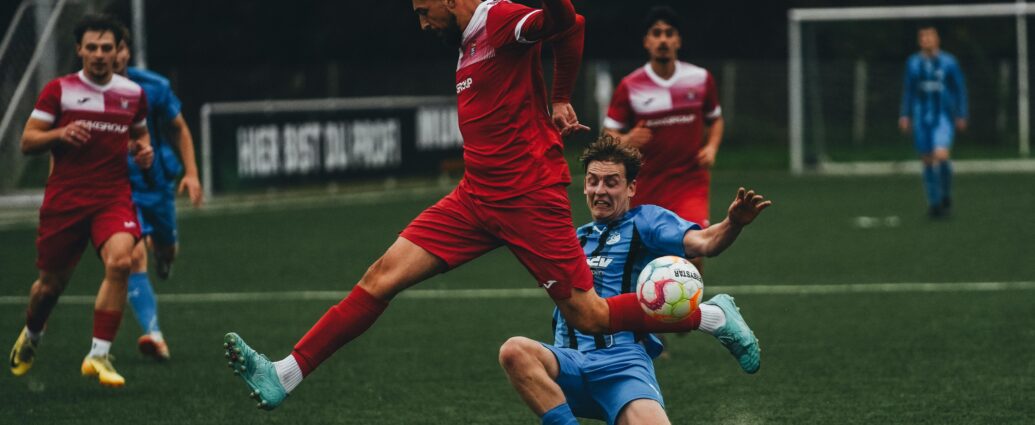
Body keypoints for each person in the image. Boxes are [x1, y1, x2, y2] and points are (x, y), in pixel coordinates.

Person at [222, 0, 756, 411]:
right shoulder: (467, 40)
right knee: (381, 276)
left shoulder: (499, 19)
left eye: (421, 11)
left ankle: (712, 316)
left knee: (590, 317)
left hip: (529, 196)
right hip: (475, 197)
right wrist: (559, 96)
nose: (421, 24)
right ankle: (285, 373)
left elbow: (568, 21)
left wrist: (562, 93)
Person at [498, 135, 768, 425]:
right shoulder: (575, 238)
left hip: (622, 367)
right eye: (592, 181)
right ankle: (710, 316)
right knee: (515, 351)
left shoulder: (646, 222)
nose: (599, 190)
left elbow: (704, 242)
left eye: (611, 182)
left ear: (631, 188)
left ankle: (711, 315)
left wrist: (732, 224)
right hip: (569, 362)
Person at [8, 14, 153, 388]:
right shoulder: (60, 90)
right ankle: (33, 333)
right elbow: (27, 141)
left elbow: (140, 134)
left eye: (107, 47)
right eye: (92, 47)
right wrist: (60, 132)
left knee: (121, 261)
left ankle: (99, 354)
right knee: (48, 288)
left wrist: (143, 151)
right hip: (66, 199)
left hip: (113, 196)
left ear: (117, 51)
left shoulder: (132, 94)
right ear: (79, 50)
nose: (100, 54)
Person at [603, 6, 724, 274]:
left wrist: (712, 146)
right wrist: (627, 139)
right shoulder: (631, 85)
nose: (663, 40)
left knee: (692, 254)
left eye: (669, 34)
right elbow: (609, 133)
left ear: (678, 40)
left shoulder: (700, 79)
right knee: (645, 261)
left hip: (689, 181)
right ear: (647, 41)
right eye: (656, 34)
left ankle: (689, 315)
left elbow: (715, 118)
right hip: (646, 186)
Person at [113, 25, 204, 362]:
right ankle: (154, 335)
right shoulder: (82, 91)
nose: (110, 55)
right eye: (102, 48)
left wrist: (192, 174)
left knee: (166, 250)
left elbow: (179, 128)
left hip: (157, 182)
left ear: (125, 52)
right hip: (118, 185)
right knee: (133, 256)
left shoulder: (153, 86)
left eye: (116, 48)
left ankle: (163, 256)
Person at [899, 24, 967, 218]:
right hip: (921, 117)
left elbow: (960, 88)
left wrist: (961, 113)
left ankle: (945, 194)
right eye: (923, 37)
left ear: (937, 39)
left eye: (930, 36)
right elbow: (909, 91)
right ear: (919, 40)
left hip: (943, 116)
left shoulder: (949, 62)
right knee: (927, 160)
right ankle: (934, 204)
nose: (926, 40)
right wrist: (905, 115)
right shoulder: (912, 63)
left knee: (942, 155)